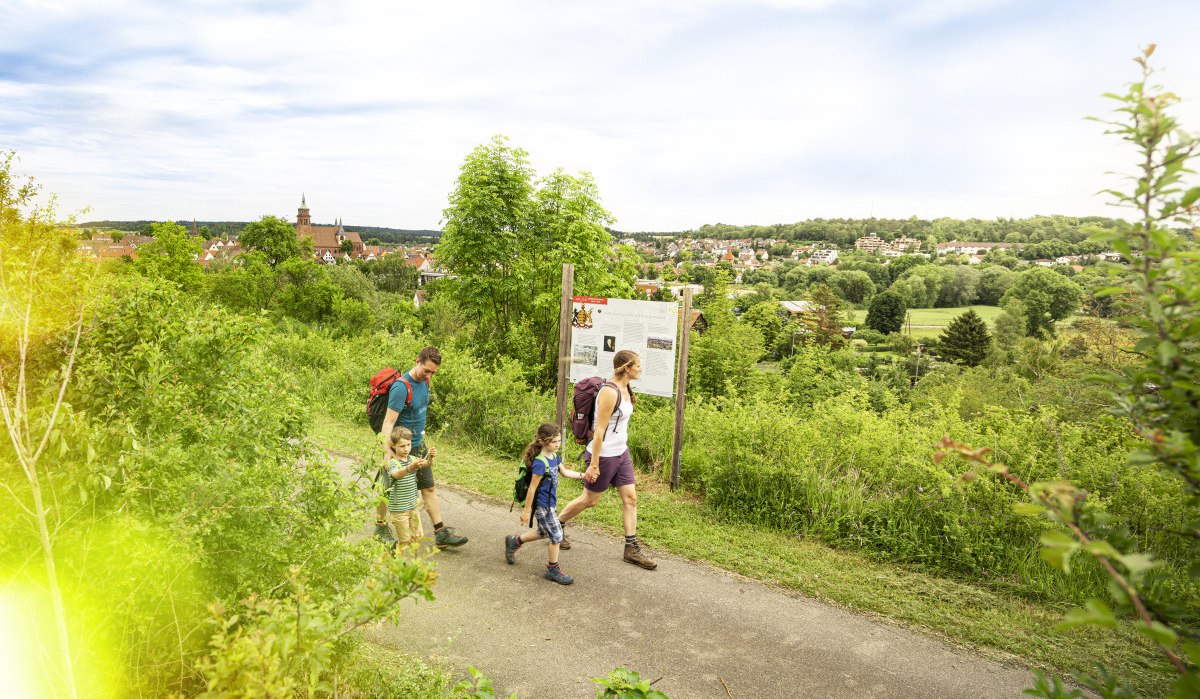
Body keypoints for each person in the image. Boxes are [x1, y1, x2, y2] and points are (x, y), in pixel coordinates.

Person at [558, 350, 657, 569]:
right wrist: (593, 463)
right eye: (638, 365)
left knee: (630, 498)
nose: (640, 369)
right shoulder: (609, 392)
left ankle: (631, 548)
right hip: (603, 455)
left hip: (621, 452)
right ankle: (556, 525)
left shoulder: (625, 388)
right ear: (626, 368)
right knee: (590, 500)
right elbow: (599, 429)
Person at [380, 346, 468, 548]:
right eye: (426, 370)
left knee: (428, 487)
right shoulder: (401, 387)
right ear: (417, 361)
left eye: (433, 373)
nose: (429, 375)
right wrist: (387, 453)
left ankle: (441, 532)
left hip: (418, 446)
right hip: (399, 448)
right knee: (388, 489)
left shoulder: (425, 383)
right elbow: (388, 423)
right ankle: (380, 526)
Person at [504, 423, 583, 584]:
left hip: (550, 503)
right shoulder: (540, 463)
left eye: (559, 441)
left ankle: (515, 541)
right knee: (556, 535)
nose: (557, 445)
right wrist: (526, 511)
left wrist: (584, 475)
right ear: (542, 442)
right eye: (554, 442)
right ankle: (553, 569)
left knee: (543, 532)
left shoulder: (554, 457)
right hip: (542, 505)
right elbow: (532, 489)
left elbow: (566, 472)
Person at [382, 426, 434, 551]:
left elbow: (426, 464)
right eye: (402, 446)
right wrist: (410, 468)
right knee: (405, 541)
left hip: (412, 507)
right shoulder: (392, 462)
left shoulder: (412, 459)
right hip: (399, 509)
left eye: (408, 445)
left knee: (417, 536)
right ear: (393, 446)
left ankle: (396, 551)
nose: (406, 449)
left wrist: (431, 458)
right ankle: (400, 561)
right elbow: (396, 474)